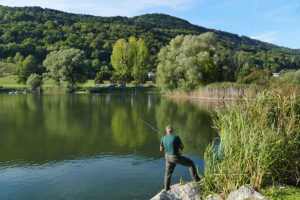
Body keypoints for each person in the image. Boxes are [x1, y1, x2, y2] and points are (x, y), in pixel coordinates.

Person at [160, 125, 200, 191]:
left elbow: (161, 149)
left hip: (167, 157)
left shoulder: (163, 138)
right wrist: (177, 146)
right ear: (172, 130)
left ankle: (167, 189)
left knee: (168, 173)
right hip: (175, 156)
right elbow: (182, 147)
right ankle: (197, 180)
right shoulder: (176, 137)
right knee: (190, 163)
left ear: (166, 131)